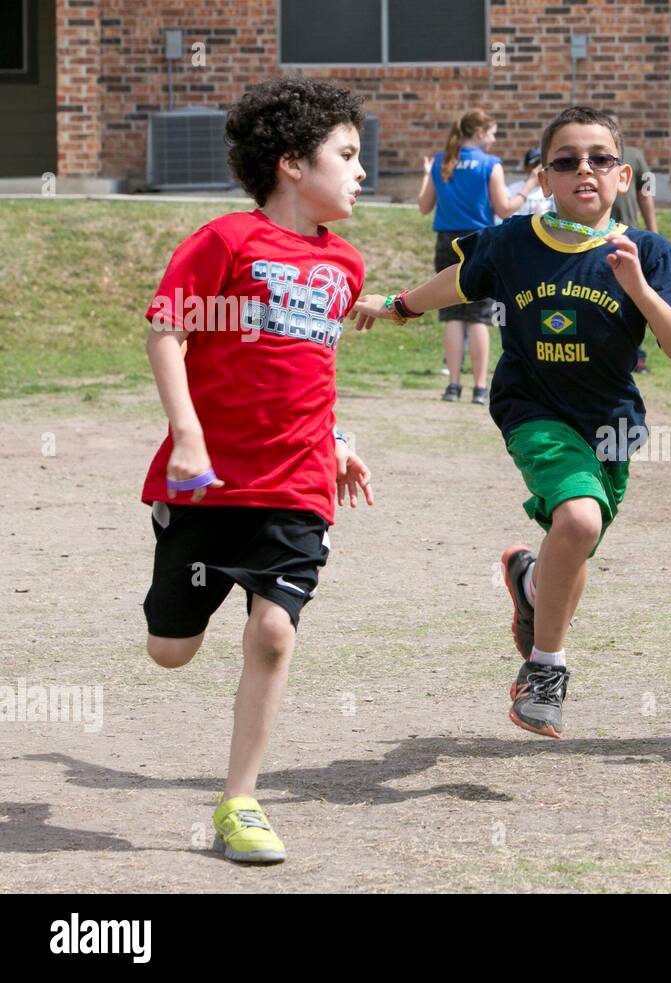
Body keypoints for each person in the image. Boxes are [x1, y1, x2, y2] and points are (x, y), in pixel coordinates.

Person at [351, 106, 671, 738]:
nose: (584, 171)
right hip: (533, 408)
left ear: (623, 176)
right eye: (566, 161)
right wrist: (398, 307)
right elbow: (461, 280)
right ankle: (546, 671)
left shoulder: (650, 253)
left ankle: (530, 580)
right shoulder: (516, 243)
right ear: (544, 179)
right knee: (577, 517)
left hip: (613, 423)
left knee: (576, 543)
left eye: (599, 159)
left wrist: (640, 290)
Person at [140, 77, 375, 864]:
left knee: (273, 635)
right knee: (170, 650)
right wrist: (187, 435)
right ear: (290, 165)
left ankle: (239, 801)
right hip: (207, 484)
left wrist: (335, 437)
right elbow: (167, 332)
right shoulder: (226, 243)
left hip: (297, 485)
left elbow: (310, 365)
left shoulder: (347, 265)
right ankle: (181, 609)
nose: (361, 170)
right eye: (346, 155)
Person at [420, 109, 541, 404]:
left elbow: (424, 207)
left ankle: (452, 385)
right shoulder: (490, 164)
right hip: (478, 241)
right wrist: (529, 185)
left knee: (450, 313)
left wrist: (427, 174)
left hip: (446, 241)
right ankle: (479, 388)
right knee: (478, 316)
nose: (494, 138)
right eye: (492, 132)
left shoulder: (441, 161)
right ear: (479, 133)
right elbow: (504, 209)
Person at [609, 112, 658, 373]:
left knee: (632, 297)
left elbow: (646, 194)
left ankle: (636, 355)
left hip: (627, 235)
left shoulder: (634, 156)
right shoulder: (593, 157)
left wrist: (653, 232)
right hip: (597, 236)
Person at [503, 147, 552, 218]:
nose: (540, 169)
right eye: (535, 165)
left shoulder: (554, 186)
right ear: (526, 167)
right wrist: (531, 182)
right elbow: (507, 215)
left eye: (543, 165)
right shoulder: (513, 188)